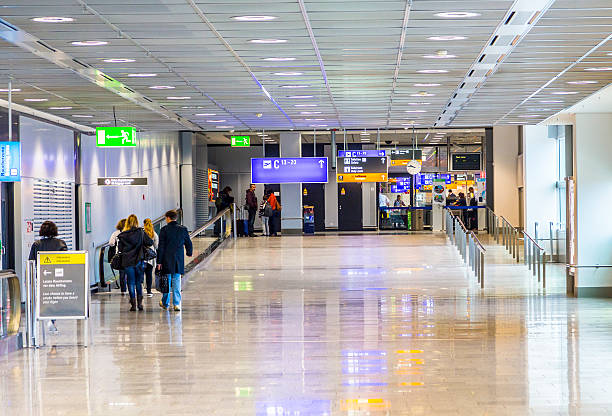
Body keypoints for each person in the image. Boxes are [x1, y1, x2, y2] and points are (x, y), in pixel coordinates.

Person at [29, 221, 68, 333]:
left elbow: (31, 261)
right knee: (55, 298)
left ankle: (46, 318)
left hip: (42, 276)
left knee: (44, 297)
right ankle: (52, 320)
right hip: (58, 276)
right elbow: (66, 260)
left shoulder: (36, 244)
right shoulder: (61, 243)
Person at [157, 210, 193, 311]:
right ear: (176, 218)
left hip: (166, 259)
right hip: (178, 259)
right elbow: (188, 243)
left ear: (168, 218)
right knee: (177, 281)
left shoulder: (164, 230)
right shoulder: (183, 229)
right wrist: (189, 253)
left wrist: (159, 261)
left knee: (166, 282)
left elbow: (161, 247)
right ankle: (177, 304)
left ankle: (165, 302)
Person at [118, 214, 153, 312]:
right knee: (138, 282)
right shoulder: (141, 233)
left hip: (127, 261)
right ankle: (140, 304)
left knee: (130, 282)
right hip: (139, 260)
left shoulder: (123, 235)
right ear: (137, 222)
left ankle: (133, 304)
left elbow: (120, 249)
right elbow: (150, 242)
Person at [109, 218, 127, 294]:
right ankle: (130, 289)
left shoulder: (116, 233)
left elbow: (111, 243)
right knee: (129, 272)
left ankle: (123, 290)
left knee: (122, 273)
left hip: (120, 255)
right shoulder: (130, 232)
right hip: (129, 255)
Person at [143, 218, 159, 297]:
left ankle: (139, 289)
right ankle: (149, 291)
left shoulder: (141, 233)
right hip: (150, 256)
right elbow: (156, 246)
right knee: (149, 274)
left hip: (141, 256)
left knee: (140, 273)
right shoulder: (154, 234)